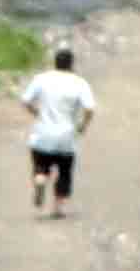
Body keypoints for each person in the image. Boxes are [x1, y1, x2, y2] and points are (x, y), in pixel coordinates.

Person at [19, 44, 96, 220]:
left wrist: (36, 113)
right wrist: (83, 125)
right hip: (66, 136)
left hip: (42, 134)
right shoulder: (79, 83)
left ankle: (40, 180)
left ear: (55, 63)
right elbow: (90, 108)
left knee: (41, 165)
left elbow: (25, 100)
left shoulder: (41, 79)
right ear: (71, 64)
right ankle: (58, 208)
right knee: (64, 172)